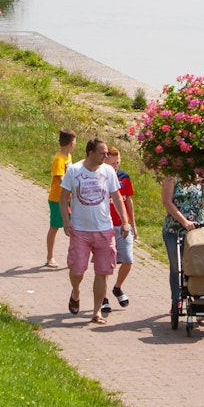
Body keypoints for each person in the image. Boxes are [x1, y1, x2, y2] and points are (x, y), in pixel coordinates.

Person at [60, 138, 128, 325]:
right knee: (77, 269)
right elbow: (63, 197)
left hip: (104, 230)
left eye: (106, 153)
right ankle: (76, 291)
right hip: (80, 230)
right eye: (102, 153)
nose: (105, 156)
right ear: (91, 153)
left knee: (103, 271)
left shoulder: (108, 171)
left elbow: (117, 197)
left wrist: (125, 221)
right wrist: (66, 221)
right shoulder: (74, 170)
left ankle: (96, 311)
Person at [161, 177, 204, 316]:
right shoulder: (172, 177)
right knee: (177, 267)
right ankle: (176, 299)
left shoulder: (202, 179)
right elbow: (167, 202)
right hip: (174, 229)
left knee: (198, 265)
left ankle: (199, 297)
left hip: (197, 230)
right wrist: (184, 221)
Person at [104, 146, 137, 312]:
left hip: (123, 226)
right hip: (105, 226)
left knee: (128, 260)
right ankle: (103, 298)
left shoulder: (124, 177)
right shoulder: (101, 177)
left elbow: (128, 201)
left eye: (118, 163)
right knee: (106, 265)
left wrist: (133, 224)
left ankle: (117, 287)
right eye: (113, 163)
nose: (116, 166)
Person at [45, 128, 77, 268]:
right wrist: (70, 192)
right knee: (55, 227)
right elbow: (61, 179)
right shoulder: (58, 160)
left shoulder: (68, 157)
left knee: (74, 227)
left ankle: (73, 257)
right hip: (57, 199)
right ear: (71, 143)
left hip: (69, 199)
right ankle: (50, 257)